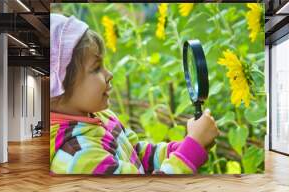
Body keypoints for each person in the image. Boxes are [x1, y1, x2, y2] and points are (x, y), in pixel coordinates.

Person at [50, 13, 219, 174]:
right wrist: (191, 151)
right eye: (96, 68)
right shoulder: (80, 157)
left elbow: (138, 153)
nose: (109, 74)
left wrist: (185, 147)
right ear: (57, 88)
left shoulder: (102, 116)